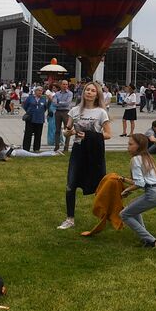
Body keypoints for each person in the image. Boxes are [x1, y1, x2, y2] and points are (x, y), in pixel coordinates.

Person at [60, 82, 108, 230]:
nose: (89, 92)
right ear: (83, 92)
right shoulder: (74, 110)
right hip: (79, 150)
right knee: (70, 185)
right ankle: (70, 218)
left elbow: (108, 134)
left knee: (99, 185)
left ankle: (106, 215)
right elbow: (66, 130)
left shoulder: (101, 112)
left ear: (97, 94)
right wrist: (69, 132)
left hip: (94, 152)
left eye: (93, 90)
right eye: (87, 89)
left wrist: (89, 135)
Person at [122, 132, 156, 248]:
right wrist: (122, 179)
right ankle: (145, 236)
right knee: (133, 207)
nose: (128, 147)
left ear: (139, 146)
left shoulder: (136, 159)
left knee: (124, 214)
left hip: (154, 193)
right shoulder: (147, 157)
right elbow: (142, 181)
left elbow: (140, 183)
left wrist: (126, 191)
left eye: (131, 144)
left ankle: (151, 241)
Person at [50, 79, 74, 154]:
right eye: (63, 84)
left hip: (66, 112)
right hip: (58, 112)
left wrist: (59, 102)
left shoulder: (70, 93)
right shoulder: (57, 93)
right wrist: (60, 103)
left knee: (67, 130)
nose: (65, 86)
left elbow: (67, 103)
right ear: (61, 85)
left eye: (66, 84)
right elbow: (54, 103)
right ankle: (56, 146)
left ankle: (66, 147)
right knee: (57, 130)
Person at [21, 85, 47, 152]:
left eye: (41, 91)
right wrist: (29, 111)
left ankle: (36, 148)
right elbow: (25, 105)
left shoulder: (43, 99)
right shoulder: (30, 98)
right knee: (28, 134)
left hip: (40, 119)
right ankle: (26, 148)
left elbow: (45, 107)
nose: (40, 92)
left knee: (38, 135)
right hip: (31, 118)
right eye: (39, 90)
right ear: (35, 91)